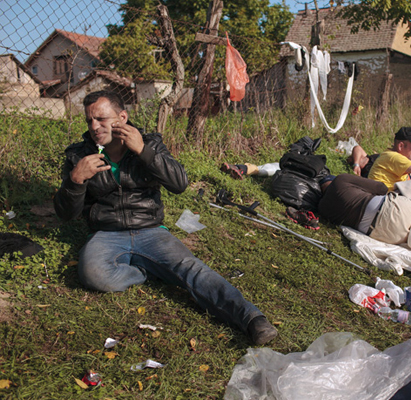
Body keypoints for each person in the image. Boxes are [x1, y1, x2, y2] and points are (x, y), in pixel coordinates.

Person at [53, 90, 277, 345]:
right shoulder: (78, 155)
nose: (94, 127)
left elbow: (179, 184)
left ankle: (251, 319)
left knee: (191, 269)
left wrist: (143, 152)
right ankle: (147, 271)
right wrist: (75, 180)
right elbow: (66, 214)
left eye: (102, 119)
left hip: (151, 230)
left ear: (122, 117)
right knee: (93, 274)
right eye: (89, 120)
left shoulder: (150, 143)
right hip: (106, 234)